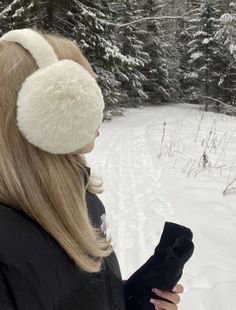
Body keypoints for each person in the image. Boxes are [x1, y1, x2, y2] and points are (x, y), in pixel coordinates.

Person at [0, 28, 183, 310]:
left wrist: (129, 298)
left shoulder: (83, 198)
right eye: (83, 93)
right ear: (40, 109)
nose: (97, 106)